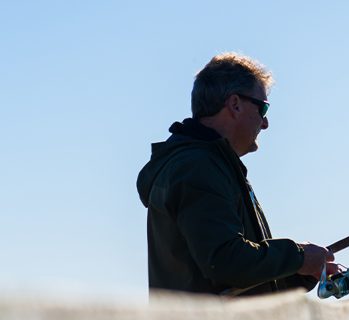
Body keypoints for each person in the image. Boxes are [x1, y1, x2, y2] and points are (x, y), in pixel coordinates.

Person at [137, 52, 336, 296]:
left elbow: (229, 276)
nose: (265, 123)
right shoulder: (197, 167)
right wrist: (298, 257)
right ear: (235, 104)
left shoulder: (209, 165)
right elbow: (224, 261)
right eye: (263, 108)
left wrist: (298, 271)